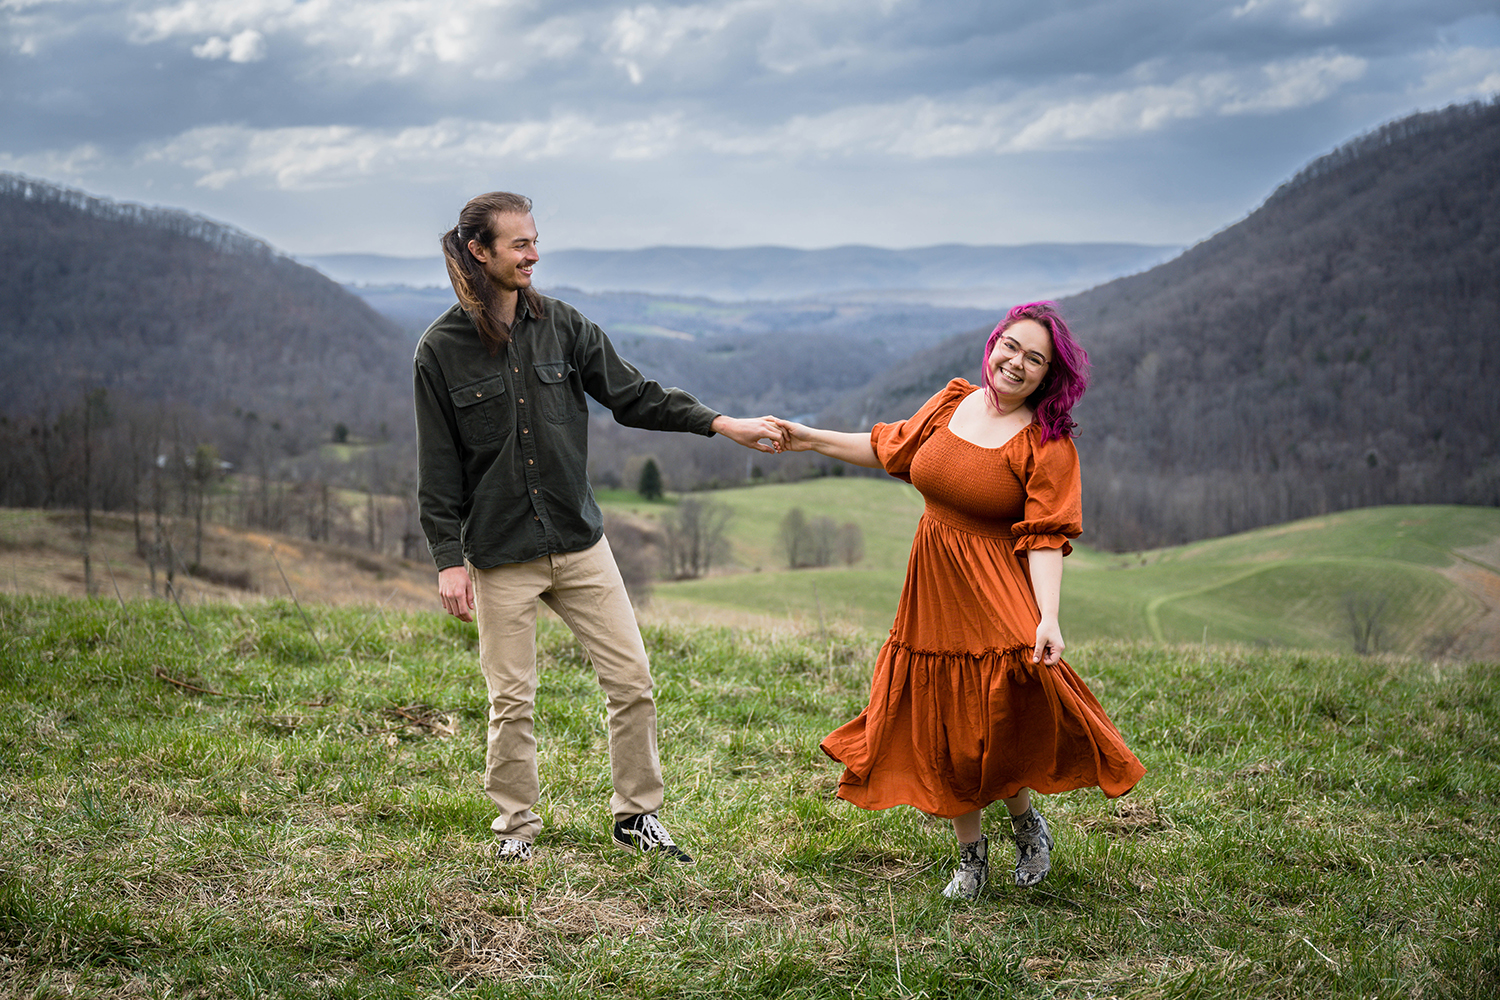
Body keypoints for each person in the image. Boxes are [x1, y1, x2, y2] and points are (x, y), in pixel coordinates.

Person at [414, 191, 784, 865]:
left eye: (534, 240)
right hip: (500, 554)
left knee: (632, 680)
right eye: (519, 243)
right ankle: (516, 831)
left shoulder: (563, 327)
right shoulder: (439, 352)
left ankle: (636, 816)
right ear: (479, 251)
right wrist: (447, 559)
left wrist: (719, 422)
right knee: (512, 701)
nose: (533, 253)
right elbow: (438, 472)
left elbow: (634, 395)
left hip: (581, 546)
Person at [771, 302, 1144, 899]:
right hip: (933, 592)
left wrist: (1048, 615)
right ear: (993, 344)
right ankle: (971, 857)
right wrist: (808, 438)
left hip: (997, 593)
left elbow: (1046, 537)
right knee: (943, 725)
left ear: (1050, 376)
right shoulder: (952, 403)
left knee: (993, 725)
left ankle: (1026, 825)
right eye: (1011, 347)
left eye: (1035, 359)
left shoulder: (1046, 444)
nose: (1017, 363)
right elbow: (890, 447)